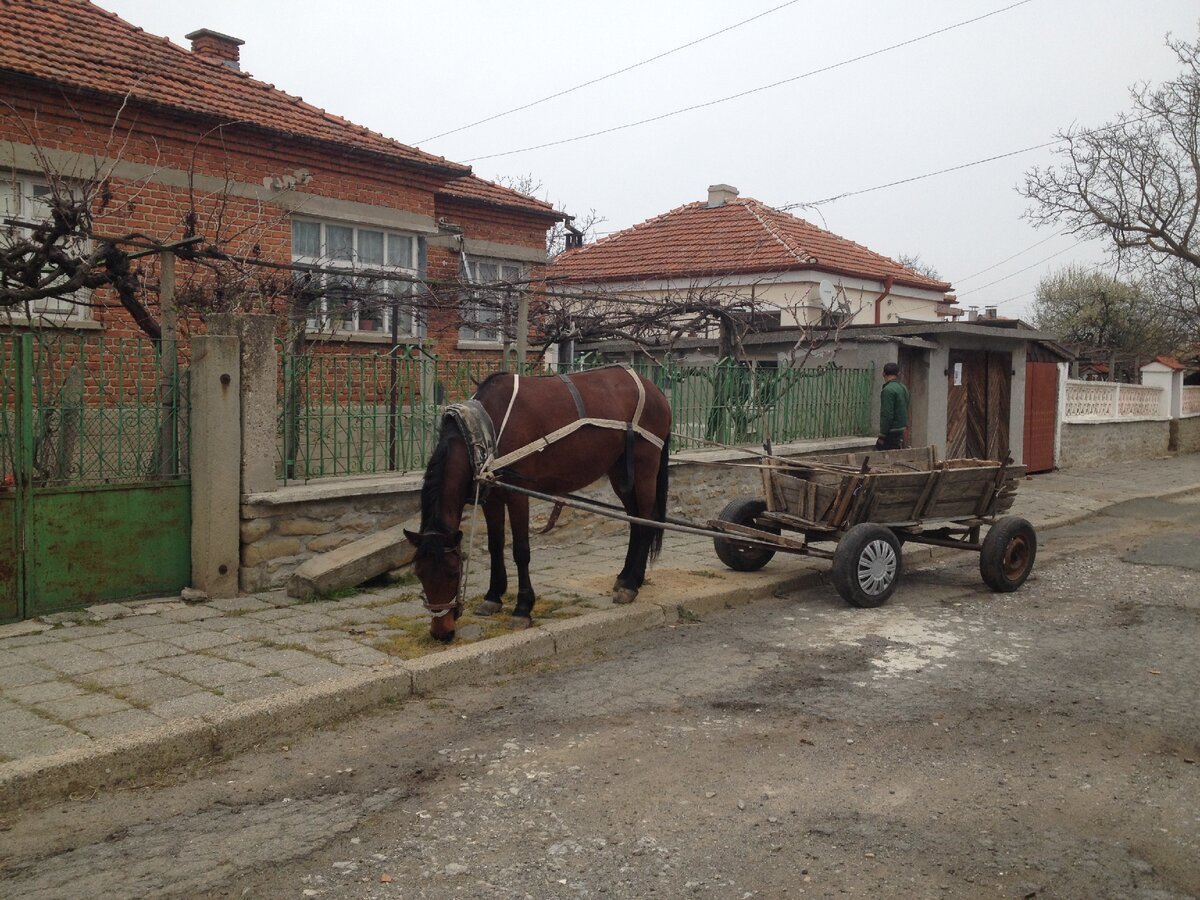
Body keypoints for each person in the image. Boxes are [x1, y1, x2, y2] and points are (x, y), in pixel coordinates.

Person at [876, 361, 909, 450]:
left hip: (891, 432)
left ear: (883, 374)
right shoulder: (903, 388)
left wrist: (882, 435)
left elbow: (887, 414)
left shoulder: (887, 390)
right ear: (898, 374)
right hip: (902, 431)